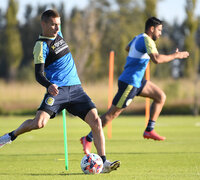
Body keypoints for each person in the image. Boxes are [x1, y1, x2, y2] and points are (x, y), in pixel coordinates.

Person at [0, 9, 120, 173]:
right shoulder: (41, 46)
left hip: (76, 89)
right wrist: (48, 85)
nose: (57, 28)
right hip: (57, 91)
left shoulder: (58, 34)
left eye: (59, 24)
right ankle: (9, 137)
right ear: (44, 24)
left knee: (96, 122)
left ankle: (104, 162)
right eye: (53, 24)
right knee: (39, 123)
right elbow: (38, 74)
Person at [80, 17, 189, 154]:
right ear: (152, 29)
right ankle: (88, 138)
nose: (160, 33)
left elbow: (127, 47)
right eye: (159, 30)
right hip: (129, 83)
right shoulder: (147, 40)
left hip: (137, 81)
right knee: (110, 115)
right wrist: (176, 56)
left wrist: (136, 55)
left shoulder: (138, 38)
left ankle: (149, 129)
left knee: (160, 96)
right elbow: (156, 59)